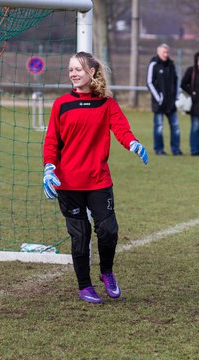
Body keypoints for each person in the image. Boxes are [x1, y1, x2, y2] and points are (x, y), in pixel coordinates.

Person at [43, 52, 148, 304]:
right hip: (68, 183)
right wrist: (49, 168)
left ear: (92, 72)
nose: (73, 74)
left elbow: (121, 129)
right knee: (80, 236)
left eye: (78, 69)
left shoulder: (106, 104)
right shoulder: (61, 104)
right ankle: (84, 286)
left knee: (109, 231)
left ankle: (107, 273)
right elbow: (51, 141)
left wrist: (132, 142)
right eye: (70, 70)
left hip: (99, 180)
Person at [147, 43, 183, 155]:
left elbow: (176, 81)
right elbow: (149, 82)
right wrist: (159, 98)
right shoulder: (154, 64)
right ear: (158, 52)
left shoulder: (171, 65)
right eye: (164, 52)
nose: (166, 54)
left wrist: (176, 96)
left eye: (167, 52)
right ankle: (159, 149)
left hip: (171, 103)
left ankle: (176, 149)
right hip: (159, 103)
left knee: (175, 126)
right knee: (159, 126)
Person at [181, 52, 199, 156]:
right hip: (195, 105)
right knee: (195, 128)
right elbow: (183, 84)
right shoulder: (191, 71)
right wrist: (192, 92)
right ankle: (194, 150)